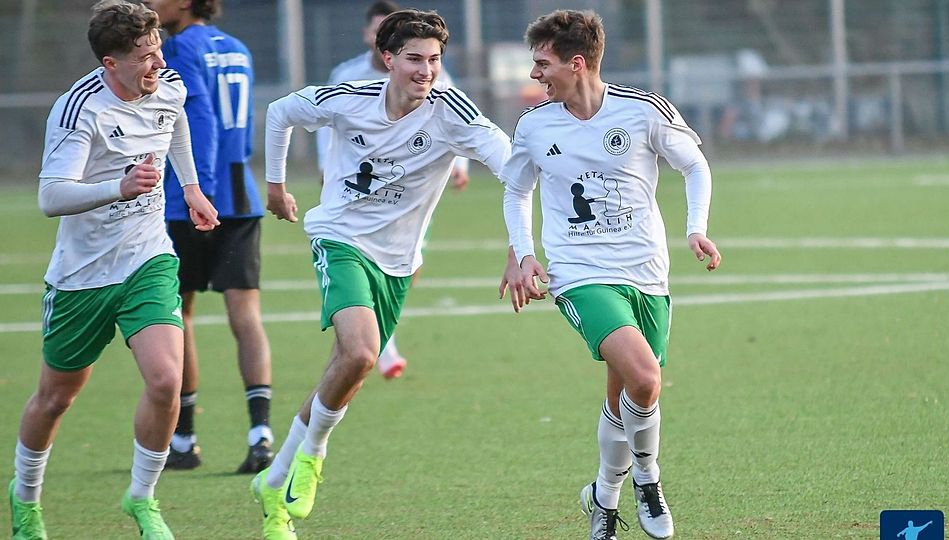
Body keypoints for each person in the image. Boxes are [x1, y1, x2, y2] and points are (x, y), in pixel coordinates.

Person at [249, 9, 512, 539]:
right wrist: (275, 187)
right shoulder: (348, 97)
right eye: (414, 59)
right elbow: (280, 112)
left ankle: (273, 485)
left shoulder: (451, 110)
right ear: (388, 59)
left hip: (398, 260)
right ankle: (313, 457)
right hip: (340, 238)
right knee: (362, 350)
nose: (426, 70)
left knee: (348, 369)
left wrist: (521, 245)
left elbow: (511, 165)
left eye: (434, 60)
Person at [499, 10, 721, 540]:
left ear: (576, 64)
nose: (534, 74)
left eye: (542, 63)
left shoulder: (642, 111)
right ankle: (648, 479)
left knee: (625, 393)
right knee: (645, 378)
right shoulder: (534, 125)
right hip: (578, 273)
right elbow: (515, 189)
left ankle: (603, 497)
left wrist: (696, 228)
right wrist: (522, 253)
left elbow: (695, 165)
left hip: (646, 272)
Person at [7, 1, 219, 538]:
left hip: (147, 256)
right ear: (110, 63)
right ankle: (26, 498)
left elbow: (175, 124)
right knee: (56, 398)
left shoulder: (166, 84)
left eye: (158, 51)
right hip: (81, 274)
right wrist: (119, 188)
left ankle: (142, 498)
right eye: (144, 59)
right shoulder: (80, 109)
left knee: (167, 379)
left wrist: (190, 187)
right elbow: (52, 197)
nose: (157, 66)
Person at [144, 0, 275, 474]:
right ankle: (260, 435)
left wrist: (200, 191)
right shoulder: (236, 47)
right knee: (247, 315)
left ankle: (184, 439)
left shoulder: (176, 48)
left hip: (194, 200)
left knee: (180, 313)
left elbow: (198, 119)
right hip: (243, 194)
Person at [315, 0, 471, 380]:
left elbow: (460, 117)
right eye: (376, 27)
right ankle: (377, 341)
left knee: (409, 261)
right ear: (375, 39)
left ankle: (378, 333)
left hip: (411, 189)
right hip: (359, 192)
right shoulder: (346, 75)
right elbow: (323, 120)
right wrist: (325, 166)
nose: (425, 68)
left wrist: (461, 165)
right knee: (356, 282)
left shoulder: (430, 71)